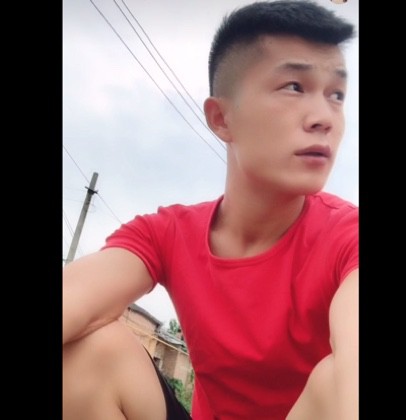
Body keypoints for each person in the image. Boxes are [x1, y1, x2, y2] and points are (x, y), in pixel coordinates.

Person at [63, 1, 358, 419]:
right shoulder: (167, 233)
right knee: (90, 352)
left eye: (336, 95)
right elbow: (72, 301)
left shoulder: (347, 236)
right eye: (295, 86)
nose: (324, 118)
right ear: (221, 118)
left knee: (336, 377)